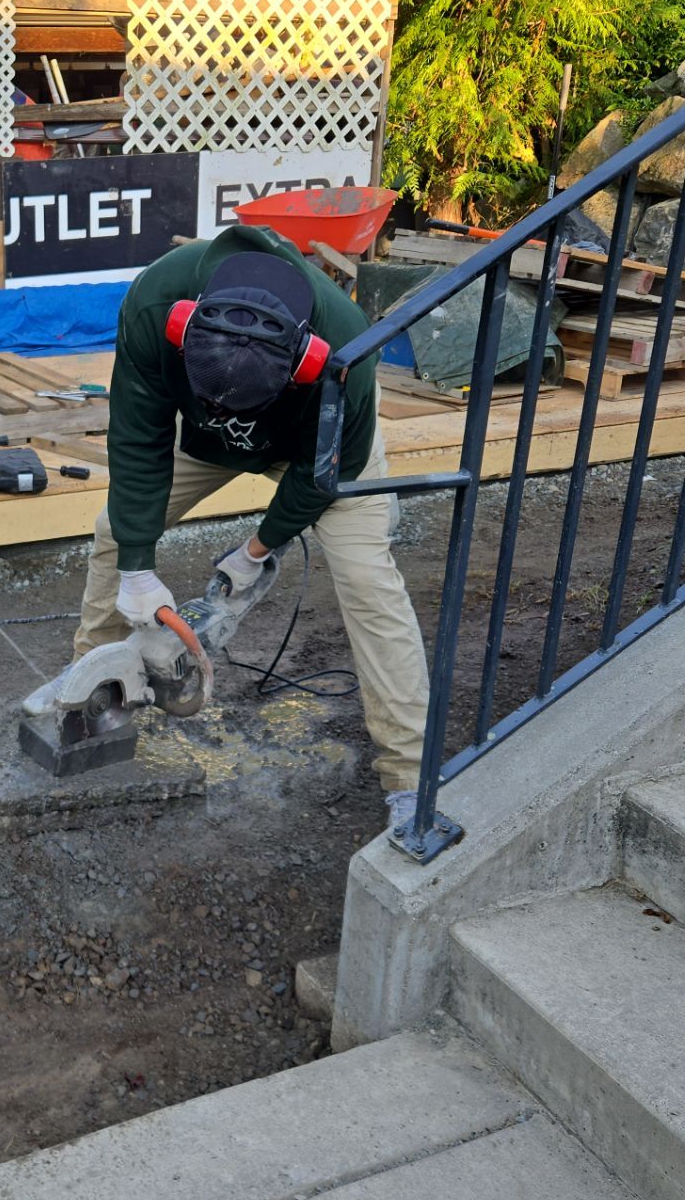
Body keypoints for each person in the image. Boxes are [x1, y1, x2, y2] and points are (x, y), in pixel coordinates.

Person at [73, 222, 430, 827]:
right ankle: (89, 692)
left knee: (369, 584)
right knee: (117, 531)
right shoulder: (155, 301)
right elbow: (138, 441)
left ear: (304, 363)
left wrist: (256, 551)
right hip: (203, 437)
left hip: (316, 450)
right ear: (183, 328)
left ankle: (411, 777)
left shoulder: (346, 347)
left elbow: (320, 476)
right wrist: (136, 567)